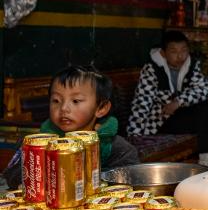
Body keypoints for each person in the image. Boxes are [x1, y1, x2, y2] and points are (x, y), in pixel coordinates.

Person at [3, 65, 139, 188]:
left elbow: (130, 179)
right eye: (56, 100)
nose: (64, 108)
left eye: (75, 101)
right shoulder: (34, 144)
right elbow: (12, 175)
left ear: (101, 108)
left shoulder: (115, 147)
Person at [127, 30, 208, 166]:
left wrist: (178, 102)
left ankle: (207, 161)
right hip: (160, 121)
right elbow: (142, 102)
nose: (180, 56)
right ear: (164, 53)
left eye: (183, 50)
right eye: (174, 51)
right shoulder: (152, 69)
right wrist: (134, 137)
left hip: (181, 117)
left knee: (207, 110)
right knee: (205, 112)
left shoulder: (192, 66)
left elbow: (203, 90)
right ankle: (205, 162)